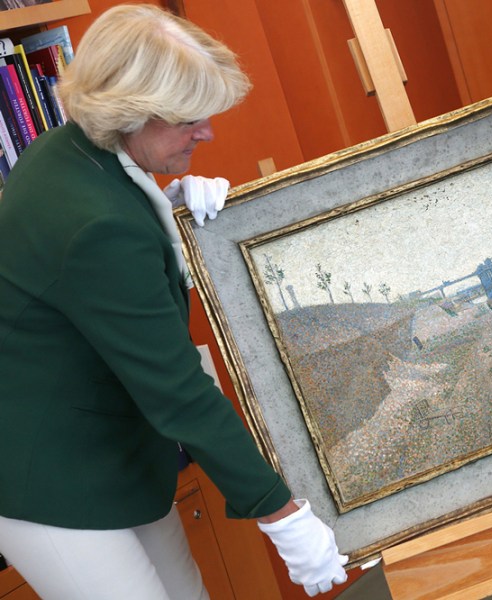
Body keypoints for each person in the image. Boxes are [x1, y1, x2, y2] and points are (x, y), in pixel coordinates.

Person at [0, 5, 349, 598]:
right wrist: (282, 516)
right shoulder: (96, 227)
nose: (208, 132)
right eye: (190, 118)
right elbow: (179, 389)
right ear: (129, 113)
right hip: (46, 475)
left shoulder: (76, 151)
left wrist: (167, 210)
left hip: (114, 442)